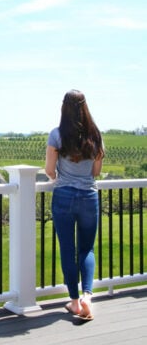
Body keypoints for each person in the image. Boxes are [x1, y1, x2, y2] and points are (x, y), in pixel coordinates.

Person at [45, 89, 104, 321]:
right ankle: (87, 297)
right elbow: (96, 172)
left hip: (64, 197)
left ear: (64, 108)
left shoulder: (57, 135)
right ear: (85, 107)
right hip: (89, 197)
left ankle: (74, 302)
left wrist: (59, 175)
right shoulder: (96, 135)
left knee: (68, 249)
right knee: (87, 249)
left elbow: (50, 171)